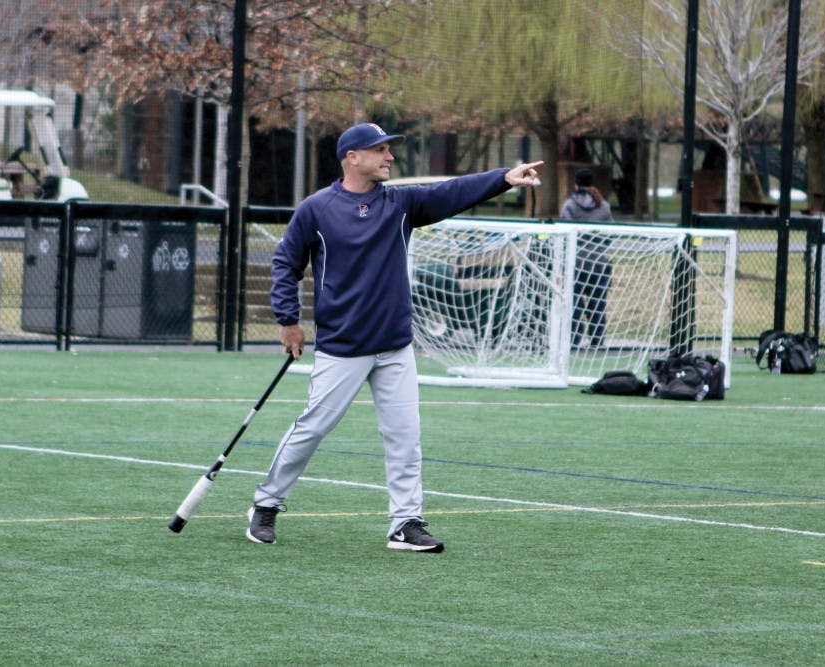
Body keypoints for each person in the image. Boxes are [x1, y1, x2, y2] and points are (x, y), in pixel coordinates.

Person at [248, 122, 543, 552]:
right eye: (379, 150)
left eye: (389, 150)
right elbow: (285, 263)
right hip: (342, 346)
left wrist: (502, 178)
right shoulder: (316, 208)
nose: (389, 157)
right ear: (352, 157)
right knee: (313, 428)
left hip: (395, 344)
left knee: (405, 436)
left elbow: (451, 191)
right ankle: (266, 505)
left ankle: (405, 523)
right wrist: (287, 319)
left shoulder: (401, 203)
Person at [558, 168, 614, 349]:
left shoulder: (569, 206)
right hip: (599, 263)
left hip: (576, 262)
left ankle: (574, 340)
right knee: (597, 303)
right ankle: (597, 340)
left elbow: (565, 234)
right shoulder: (604, 206)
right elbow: (609, 236)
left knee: (574, 303)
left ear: (576, 184)